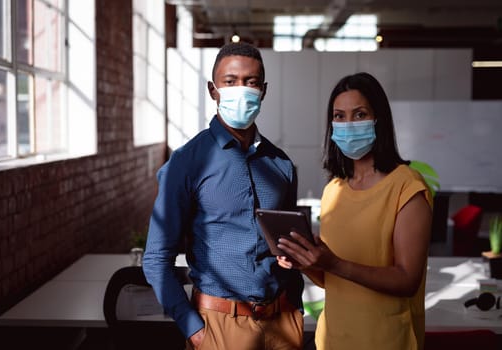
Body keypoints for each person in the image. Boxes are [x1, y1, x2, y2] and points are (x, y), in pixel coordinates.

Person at [142, 42, 304, 350]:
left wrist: (295, 305)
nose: (241, 90)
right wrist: (194, 330)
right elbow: (156, 258)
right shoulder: (186, 162)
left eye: (251, 82)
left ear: (264, 90)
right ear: (213, 90)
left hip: (281, 322)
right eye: (230, 82)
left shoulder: (280, 164)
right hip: (219, 326)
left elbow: (290, 242)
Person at [276, 72, 433, 350]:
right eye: (339, 116)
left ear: (379, 119)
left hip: (386, 341)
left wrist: (334, 263)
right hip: (332, 339)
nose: (348, 124)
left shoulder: (407, 186)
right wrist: (305, 261)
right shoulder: (333, 190)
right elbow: (332, 279)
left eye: (359, 114)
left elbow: (407, 279)